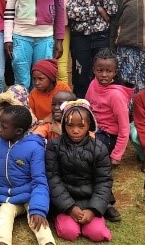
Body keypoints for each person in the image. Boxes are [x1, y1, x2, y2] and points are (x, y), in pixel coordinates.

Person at [0, 104, 56, 245]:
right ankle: (2, 242)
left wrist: (38, 209)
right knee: (3, 214)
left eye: (4, 127)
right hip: (8, 196)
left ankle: (47, 241)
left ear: (18, 131)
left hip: (29, 195)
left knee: (36, 217)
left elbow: (39, 181)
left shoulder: (34, 147)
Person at [45, 101, 114, 242]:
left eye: (81, 126)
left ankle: (96, 218)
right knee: (69, 232)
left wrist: (93, 210)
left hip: (90, 200)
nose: (75, 131)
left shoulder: (99, 148)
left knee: (97, 234)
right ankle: (60, 218)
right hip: (64, 202)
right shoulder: (54, 146)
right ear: (64, 125)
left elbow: (104, 181)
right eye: (70, 125)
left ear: (89, 126)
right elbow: (53, 178)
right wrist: (69, 207)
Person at [67, 0, 117, 97]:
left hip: (101, 37)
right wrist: (98, 10)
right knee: (81, 75)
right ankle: (81, 104)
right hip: (80, 37)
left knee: (102, 73)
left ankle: (102, 105)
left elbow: (112, 10)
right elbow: (71, 12)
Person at [85, 49, 134, 168]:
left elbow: (124, 128)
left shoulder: (116, 96)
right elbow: (86, 108)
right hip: (92, 129)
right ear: (94, 70)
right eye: (100, 70)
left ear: (115, 72)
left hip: (108, 136)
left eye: (108, 71)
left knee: (88, 152)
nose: (104, 74)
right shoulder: (93, 84)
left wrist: (116, 156)